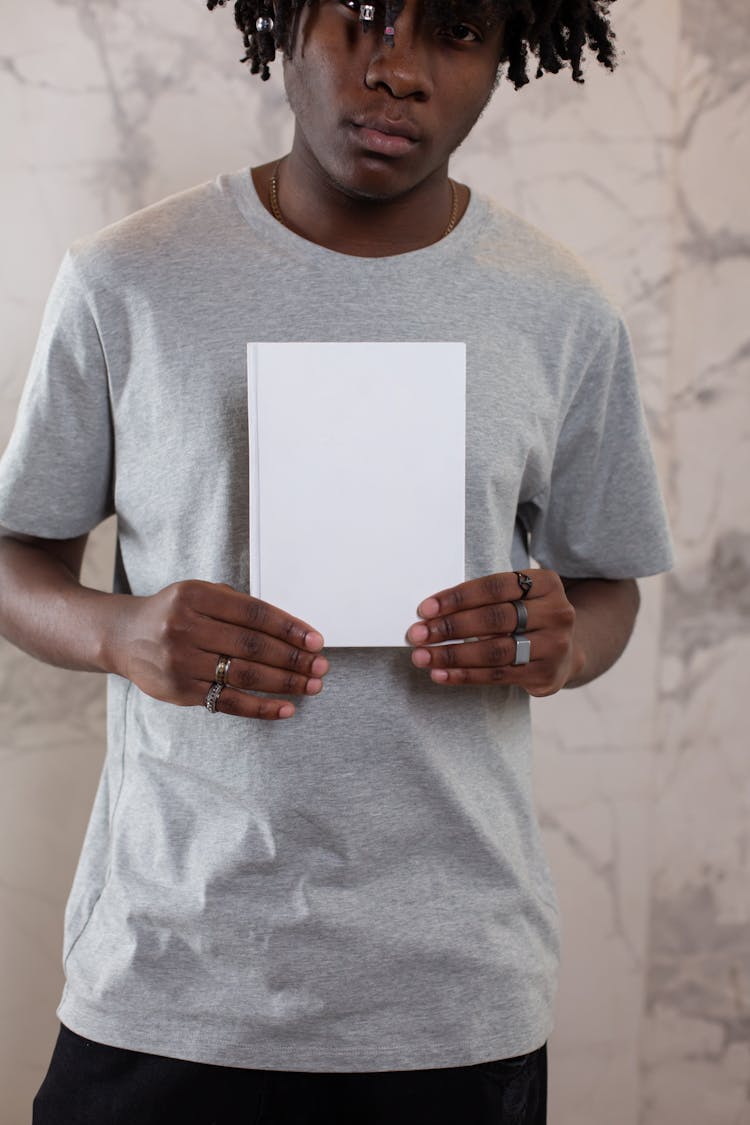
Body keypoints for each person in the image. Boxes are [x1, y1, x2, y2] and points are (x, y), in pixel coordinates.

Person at [0, 0, 673, 1121]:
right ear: (286, 23)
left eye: (455, 31)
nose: (397, 67)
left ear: (506, 54)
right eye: (359, 18)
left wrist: (560, 641)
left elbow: (607, 590)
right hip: (174, 977)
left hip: (454, 995)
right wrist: (119, 632)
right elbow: (16, 559)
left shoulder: (560, 310)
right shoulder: (128, 279)